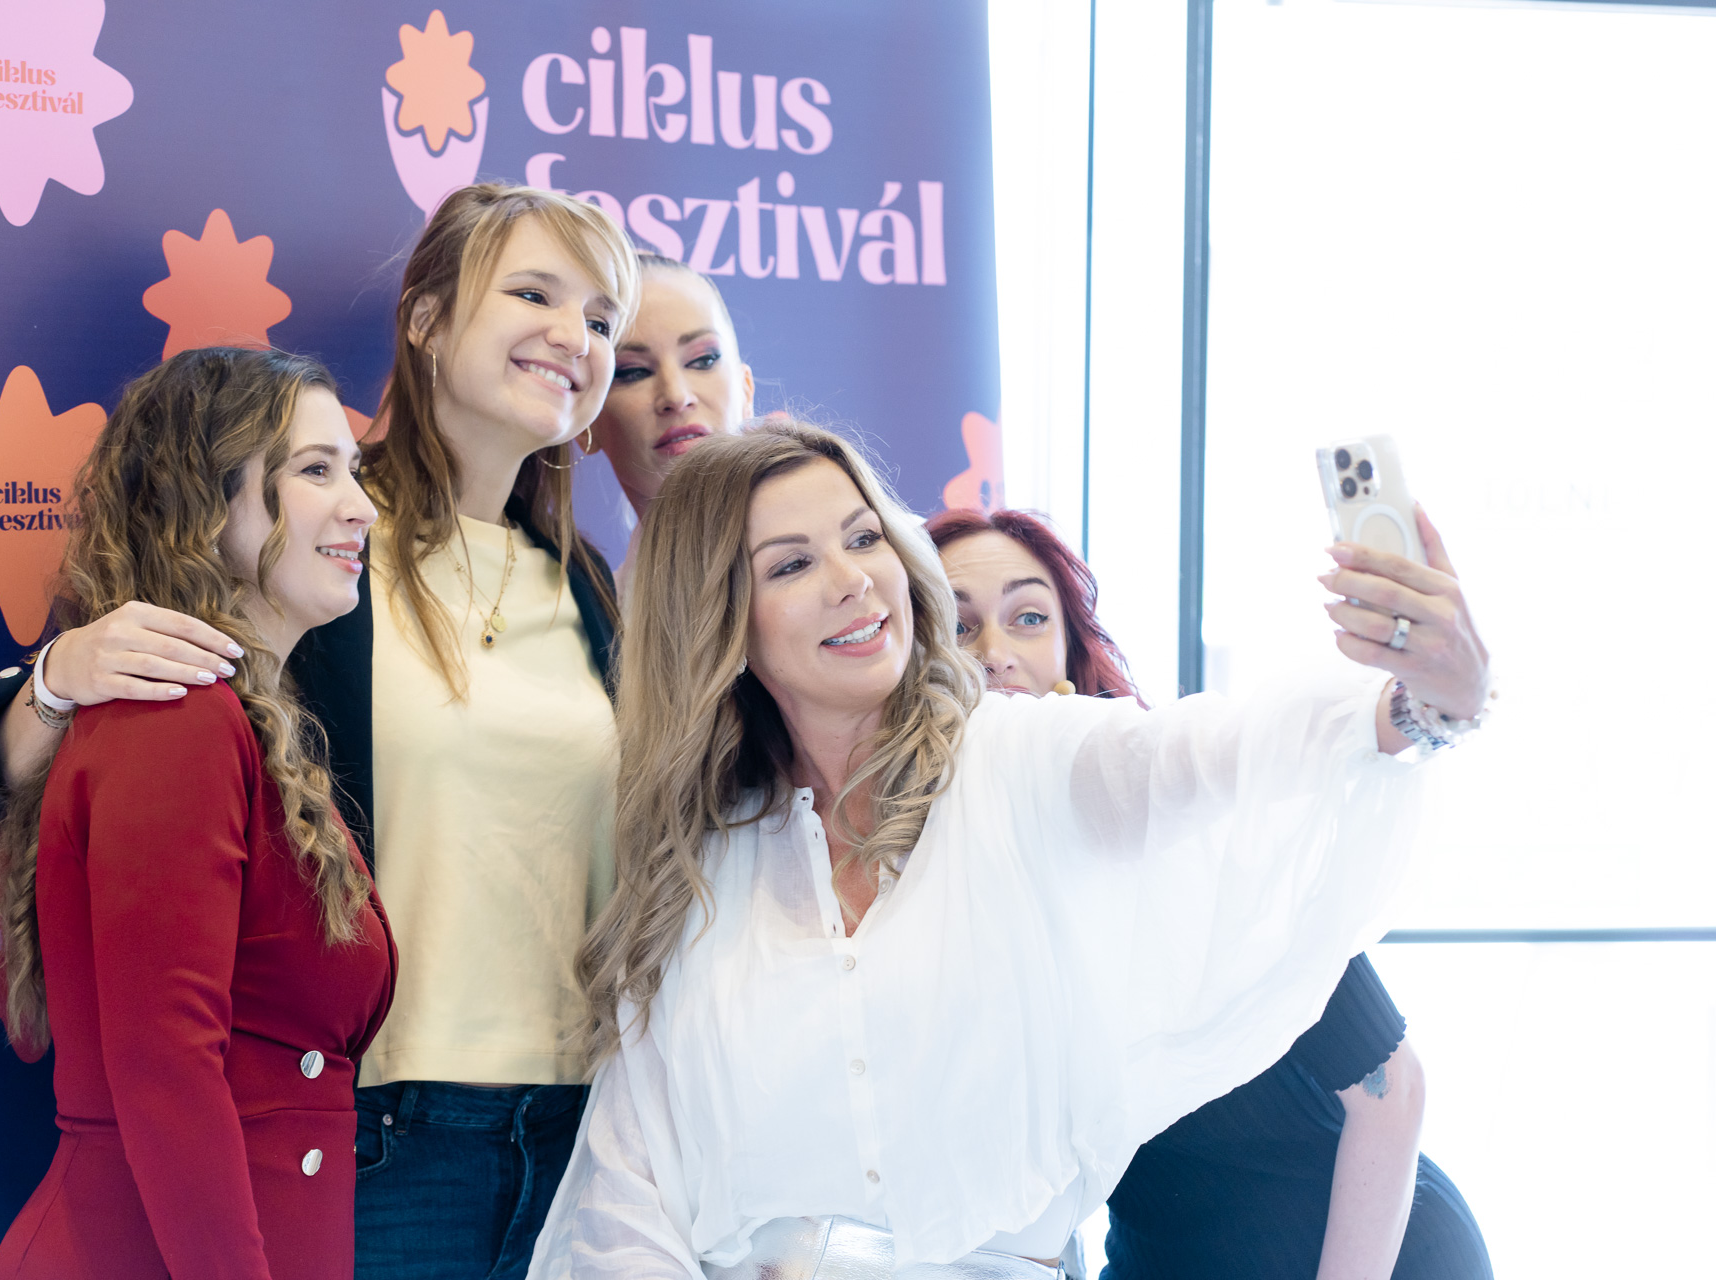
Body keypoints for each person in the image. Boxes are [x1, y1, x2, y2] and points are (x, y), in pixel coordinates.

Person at [528, 421, 1494, 1278]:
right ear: (719, 620)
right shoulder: (701, 866)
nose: (852, 580)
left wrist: (1421, 701)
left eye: (863, 538)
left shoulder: (1021, 762)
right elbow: (628, 1195)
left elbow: (1214, 752)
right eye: (790, 566)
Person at [0, 184, 641, 1280]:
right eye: (534, 294)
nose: (576, 335)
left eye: (604, 318)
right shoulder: (304, 550)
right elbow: (82, 757)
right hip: (372, 1138)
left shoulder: (589, 588)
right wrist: (56, 676)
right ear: (425, 320)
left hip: (578, 1136)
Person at [928, 506, 1494, 1280]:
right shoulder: (942, 881)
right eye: (958, 627)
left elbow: (1392, 1091)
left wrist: (1430, 696)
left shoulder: (1165, 828)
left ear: (1068, 655)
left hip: (1368, 1256)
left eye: (1028, 618)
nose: (995, 655)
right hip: (1161, 1257)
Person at [0, 347, 396, 1280]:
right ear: (206, 504)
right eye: (315, 470)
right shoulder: (178, 720)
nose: (363, 507)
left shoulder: (246, 722)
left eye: (355, 470)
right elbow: (165, 1067)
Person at [583, 252, 755, 598]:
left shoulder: (850, 574)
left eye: (703, 360)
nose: (676, 396)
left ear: (746, 390)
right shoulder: (588, 622)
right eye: (633, 371)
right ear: (585, 424)